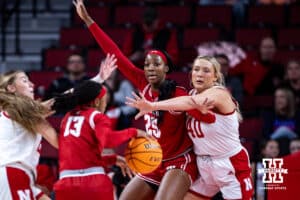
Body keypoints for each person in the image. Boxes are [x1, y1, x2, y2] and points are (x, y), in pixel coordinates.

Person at [73, 0, 206, 199]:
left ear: (166, 69)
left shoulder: (179, 95)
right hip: (154, 160)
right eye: (147, 64)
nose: (150, 68)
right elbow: (114, 53)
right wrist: (88, 20)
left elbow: (206, 118)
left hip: (179, 162)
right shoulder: (141, 82)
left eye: (156, 64)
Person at [126, 56, 254, 200]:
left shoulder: (220, 94)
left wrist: (152, 106)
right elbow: (190, 105)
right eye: (196, 69)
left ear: (215, 77)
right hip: (204, 167)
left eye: (206, 70)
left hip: (229, 163)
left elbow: (191, 102)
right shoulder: (189, 94)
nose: (199, 74)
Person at [52, 80, 148, 200]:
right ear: (97, 101)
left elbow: (81, 157)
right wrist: (134, 132)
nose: (106, 104)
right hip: (93, 183)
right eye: (105, 100)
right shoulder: (96, 116)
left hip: (65, 184)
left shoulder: (66, 119)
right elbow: (108, 140)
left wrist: (112, 159)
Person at [0, 70, 58, 200]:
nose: (32, 84)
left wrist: (97, 80)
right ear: (11, 88)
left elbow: (51, 105)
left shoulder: (15, 111)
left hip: (18, 174)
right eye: (24, 80)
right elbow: (57, 141)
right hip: (11, 172)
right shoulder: (19, 109)